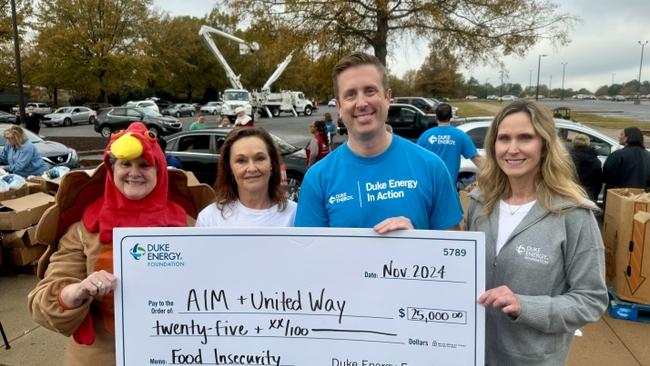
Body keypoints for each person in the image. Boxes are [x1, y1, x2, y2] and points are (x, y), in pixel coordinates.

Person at [28, 122, 213, 365]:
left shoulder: (188, 226)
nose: (134, 173)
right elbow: (43, 302)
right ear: (111, 170)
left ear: (159, 172)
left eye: (145, 165)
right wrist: (78, 291)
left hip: (174, 352)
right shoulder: (84, 229)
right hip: (100, 356)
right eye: (126, 164)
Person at [466, 100, 607, 365]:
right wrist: (406, 239)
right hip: (476, 354)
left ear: (544, 145)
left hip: (533, 360)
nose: (512, 148)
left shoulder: (573, 214)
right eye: (504, 138)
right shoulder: (479, 204)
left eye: (525, 138)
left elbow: (591, 299)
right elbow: (460, 271)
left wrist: (526, 306)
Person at [295, 52, 461, 232]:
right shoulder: (317, 179)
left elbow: (452, 254)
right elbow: (309, 256)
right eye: (350, 94)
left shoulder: (432, 167)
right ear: (339, 107)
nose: (361, 103)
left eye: (370, 91)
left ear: (388, 97)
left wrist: (416, 243)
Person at [196, 127, 296, 227]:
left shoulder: (295, 215)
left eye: (260, 158)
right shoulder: (209, 219)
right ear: (230, 168)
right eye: (241, 161)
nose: (252, 168)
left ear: (271, 163)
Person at [416, 103, 482, 184]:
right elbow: (477, 159)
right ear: (451, 116)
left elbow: (416, 159)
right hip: (448, 186)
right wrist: (493, 175)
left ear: (436, 117)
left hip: (429, 185)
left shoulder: (426, 135)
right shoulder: (460, 135)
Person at [603, 126, 650, 193]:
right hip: (641, 197)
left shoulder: (618, 154)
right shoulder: (648, 155)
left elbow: (606, 176)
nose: (619, 137)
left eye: (621, 134)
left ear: (627, 138)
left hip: (618, 195)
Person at [570, 133, 602, 202]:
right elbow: (598, 182)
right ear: (588, 143)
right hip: (588, 194)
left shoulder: (566, 158)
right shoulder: (596, 161)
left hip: (569, 192)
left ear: (573, 143)